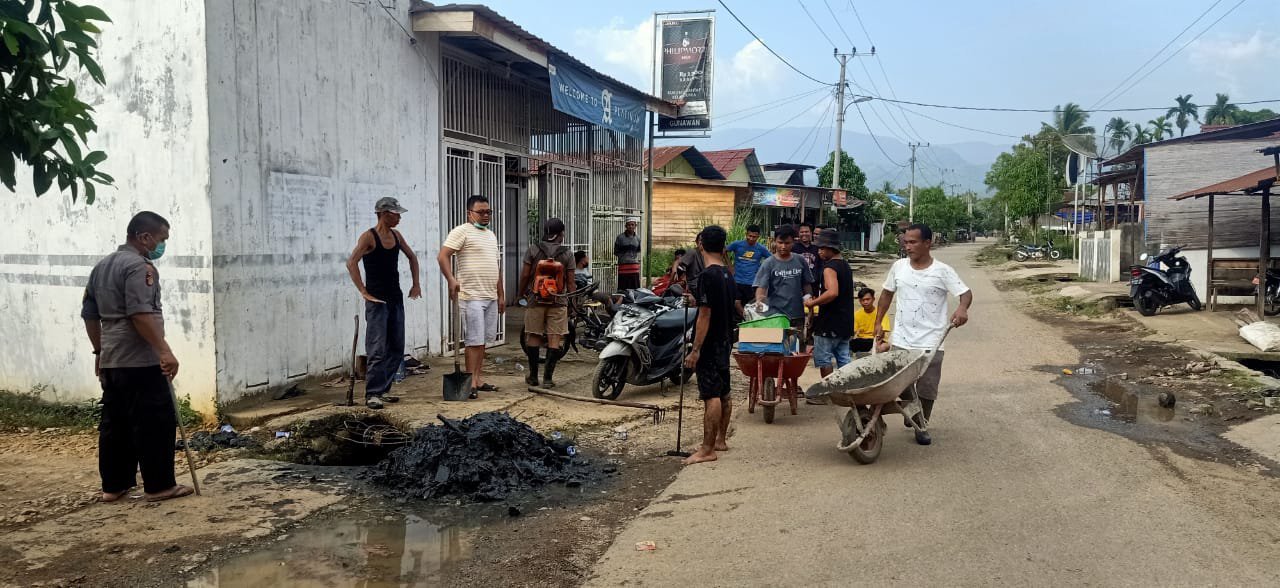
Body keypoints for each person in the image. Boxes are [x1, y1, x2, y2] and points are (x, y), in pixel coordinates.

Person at [81, 211, 193, 503]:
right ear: (145, 237)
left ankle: (114, 487)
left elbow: (90, 316)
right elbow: (140, 314)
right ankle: (159, 486)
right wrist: (164, 351)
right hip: (139, 359)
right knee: (154, 421)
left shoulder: (101, 267)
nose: (161, 246)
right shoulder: (139, 267)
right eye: (161, 239)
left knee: (115, 422)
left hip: (113, 359)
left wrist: (99, 350)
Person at [875, 223, 972, 446]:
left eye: (913, 242)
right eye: (905, 242)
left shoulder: (942, 271)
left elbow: (965, 293)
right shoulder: (898, 267)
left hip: (932, 340)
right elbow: (886, 294)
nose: (907, 246)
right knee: (902, 383)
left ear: (928, 243)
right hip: (902, 338)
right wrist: (878, 321)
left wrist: (962, 308)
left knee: (927, 387)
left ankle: (922, 422)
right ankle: (914, 414)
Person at [346, 197, 423, 410]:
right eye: (395, 214)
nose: (399, 218)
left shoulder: (396, 235)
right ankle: (372, 393)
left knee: (397, 347)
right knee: (377, 348)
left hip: (395, 298)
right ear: (383, 213)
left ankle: (383, 389)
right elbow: (351, 262)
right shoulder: (369, 237)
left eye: (399, 214)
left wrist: (416, 284)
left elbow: (412, 258)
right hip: (377, 300)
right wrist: (363, 291)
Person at [438, 195, 505, 399]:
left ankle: (478, 378)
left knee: (483, 340)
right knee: (473, 340)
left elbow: (497, 268)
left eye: (488, 212)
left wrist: (501, 295)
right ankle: (470, 382)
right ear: (470, 213)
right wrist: (451, 279)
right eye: (481, 212)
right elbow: (443, 255)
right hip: (471, 294)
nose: (485, 215)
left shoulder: (491, 236)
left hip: (490, 295)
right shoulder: (461, 231)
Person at [681, 224, 736, 465]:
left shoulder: (706, 276)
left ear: (701, 243)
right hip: (725, 339)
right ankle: (720, 440)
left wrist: (695, 350)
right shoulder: (727, 273)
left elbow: (705, 315)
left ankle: (707, 449)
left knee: (711, 394)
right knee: (724, 391)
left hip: (711, 342)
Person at [518, 219, 575, 388]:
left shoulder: (533, 250)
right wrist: (571, 302)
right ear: (561, 234)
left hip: (535, 300)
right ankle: (548, 379)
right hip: (558, 301)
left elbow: (525, 276)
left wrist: (520, 293)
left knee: (534, 335)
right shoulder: (567, 254)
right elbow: (571, 282)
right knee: (554, 338)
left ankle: (534, 377)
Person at [803, 230, 854, 384]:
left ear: (830, 249)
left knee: (824, 358)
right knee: (844, 357)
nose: (819, 251)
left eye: (821, 249)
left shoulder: (829, 268)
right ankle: (850, 389)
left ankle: (828, 391)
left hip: (829, 322)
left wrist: (813, 302)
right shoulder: (845, 265)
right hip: (845, 321)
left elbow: (832, 292)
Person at [752, 224, 814, 327]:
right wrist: (759, 306)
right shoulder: (768, 263)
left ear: (793, 242)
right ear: (775, 242)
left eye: (787, 243)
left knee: (798, 342)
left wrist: (810, 308)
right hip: (775, 317)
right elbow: (761, 289)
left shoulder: (800, 260)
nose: (783, 246)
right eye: (780, 243)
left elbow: (806, 285)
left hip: (797, 315)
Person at [725, 224, 770, 316]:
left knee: (751, 306)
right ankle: (745, 320)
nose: (751, 238)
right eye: (750, 236)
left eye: (754, 237)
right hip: (737, 281)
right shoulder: (737, 244)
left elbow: (771, 259)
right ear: (746, 234)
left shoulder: (761, 248)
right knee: (736, 303)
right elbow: (723, 251)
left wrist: (761, 269)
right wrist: (730, 266)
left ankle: (749, 323)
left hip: (752, 283)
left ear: (758, 237)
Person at [851, 287, 891, 357]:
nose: (865, 302)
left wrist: (876, 346)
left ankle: (870, 354)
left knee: (884, 346)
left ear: (873, 299)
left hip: (876, 340)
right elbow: (853, 333)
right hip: (862, 340)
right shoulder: (857, 314)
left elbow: (882, 333)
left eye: (867, 299)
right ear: (860, 301)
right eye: (863, 300)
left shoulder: (881, 313)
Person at [614, 216, 642, 290]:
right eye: (629, 225)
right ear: (626, 226)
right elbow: (616, 251)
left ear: (635, 226)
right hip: (623, 268)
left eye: (632, 224)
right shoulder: (620, 238)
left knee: (635, 288)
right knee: (623, 289)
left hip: (634, 268)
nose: (630, 226)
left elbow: (638, 250)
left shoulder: (638, 238)